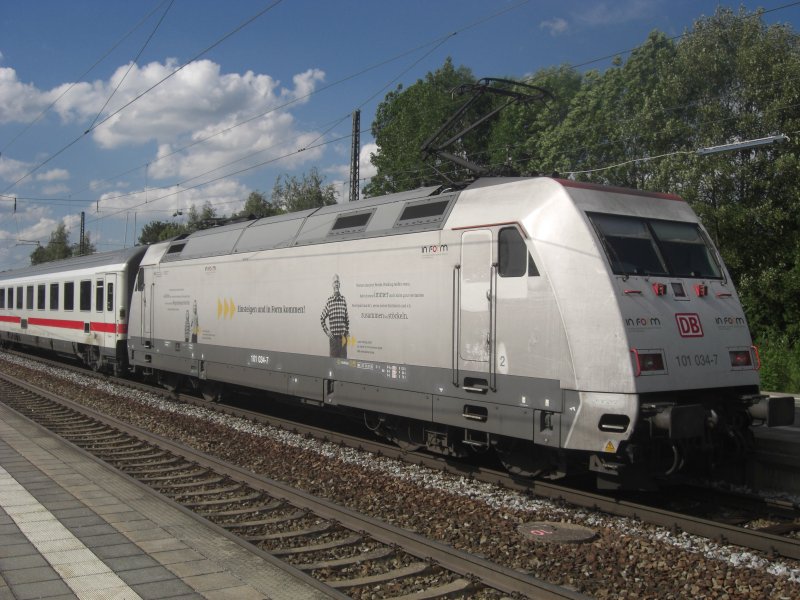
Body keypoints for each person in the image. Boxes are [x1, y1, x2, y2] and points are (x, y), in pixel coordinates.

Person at [320, 274, 349, 358]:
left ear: (339, 284)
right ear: (332, 285)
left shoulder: (343, 300)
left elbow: (347, 320)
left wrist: (346, 333)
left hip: (343, 340)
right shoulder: (329, 301)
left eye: (337, 282)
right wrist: (327, 331)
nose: (336, 284)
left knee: (343, 363)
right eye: (335, 282)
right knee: (333, 363)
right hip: (333, 341)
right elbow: (322, 318)